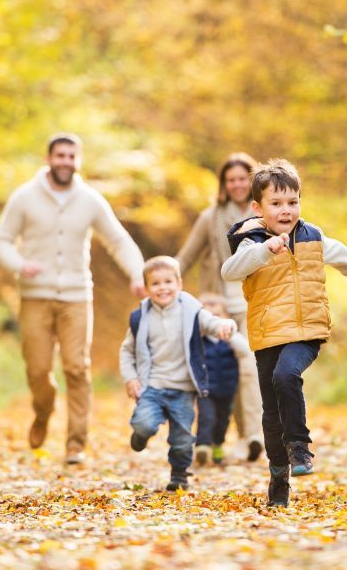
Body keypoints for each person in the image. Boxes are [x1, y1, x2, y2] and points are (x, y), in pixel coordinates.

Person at [221, 159, 347, 507]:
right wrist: (265, 250)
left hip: (307, 330)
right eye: (276, 203)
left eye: (292, 202)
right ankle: (279, 474)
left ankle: (300, 448)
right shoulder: (252, 241)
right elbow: (229, 271)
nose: (286, 210)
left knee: (286, 374)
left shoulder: (312, 236)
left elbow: (341, 255)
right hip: (268, 334)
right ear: (258, 208)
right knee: (270, 411)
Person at [0, 133, 147, 465]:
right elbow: (1, 241)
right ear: (48, 159)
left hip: (77, 296)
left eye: (71, 156)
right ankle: (43, 410)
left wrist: (137, 274)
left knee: (77, 367)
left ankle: (75, 444)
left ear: (79, 161)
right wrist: (20, 265)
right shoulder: (24, 197)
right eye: (59, 155)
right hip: (35, 296)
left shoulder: (90, 200)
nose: (65, 161)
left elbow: (118, 240)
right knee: (37, 369)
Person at [175, 153, 265, 462]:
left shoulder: (265, 216)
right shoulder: (211, 217)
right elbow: (185, 257)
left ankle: (254, 435)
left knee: (250, 368)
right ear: (224, 184)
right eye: (231, 180)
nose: (238, 184)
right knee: (220, 373)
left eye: (243, 178)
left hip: (254, 302)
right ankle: (218, 437)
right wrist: (161, 280)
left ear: (252, 180)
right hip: (218, 306)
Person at [119, 257, 237, 491]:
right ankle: (141, 435)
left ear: (179, 284)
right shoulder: (140, 318)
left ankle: (180, 474)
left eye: (168, 282)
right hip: (152, 385)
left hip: (182, 389)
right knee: (144, 424)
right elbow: (127, 350)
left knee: (182, 439)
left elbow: (211, 322)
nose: (163, 287)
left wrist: (226, 326)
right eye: (155, 284)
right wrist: (130, 377)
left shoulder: (192, 312)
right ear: (146, 289)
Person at [193, 293, 254, 467]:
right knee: (206, 417)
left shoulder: (231, 341)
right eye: (208, 318)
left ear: (226, 318)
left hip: (227, 389)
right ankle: (202, 446)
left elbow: (245, 351)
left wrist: (229, 334)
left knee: (222, 420)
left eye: (217, 317)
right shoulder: (198, 340)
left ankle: (217, 443)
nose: (213, 323)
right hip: (205, 389)